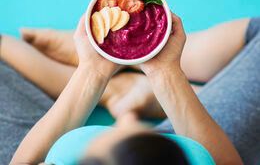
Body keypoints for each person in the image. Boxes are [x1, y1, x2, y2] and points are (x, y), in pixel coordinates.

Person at [0, 14, 259, 164]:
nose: (124, 117)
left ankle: (116, 90)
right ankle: (138, 82)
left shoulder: (60, 157)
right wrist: (166, 72)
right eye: (134, 126)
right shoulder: (195, 158)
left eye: (118, 128)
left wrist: (93, 72)